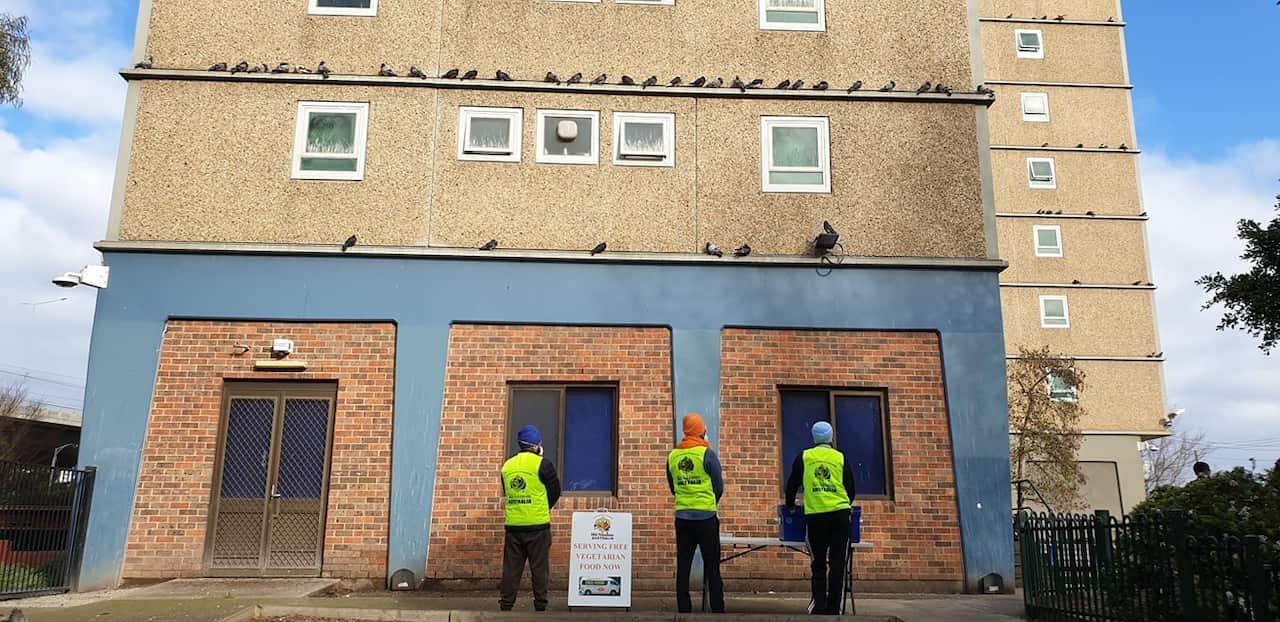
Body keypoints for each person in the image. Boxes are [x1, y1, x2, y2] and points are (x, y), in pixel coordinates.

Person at [785, 421, 856, 616]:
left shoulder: (805, 457)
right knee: (837, 564)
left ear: (814, 437)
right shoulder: (840, 457)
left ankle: (819, 607)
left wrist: (790, 505)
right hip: (840, 516)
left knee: (818, 564)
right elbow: (850, 490)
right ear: (831, 437)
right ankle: (833, 609)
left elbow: (792, 485)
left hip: (816, 517)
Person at [666, 413, 726, 613]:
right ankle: (717, 609)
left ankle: (684, 609)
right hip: (706, 518)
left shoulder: (673, 456)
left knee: (683, 565)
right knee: (712, 566)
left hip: (682, 518)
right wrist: (710, 502)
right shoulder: (707, 454)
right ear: (700, 431)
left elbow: (673, 487)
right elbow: (718, 486)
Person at [499, 424, 561, 612]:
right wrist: (544, 506)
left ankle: (506, 604)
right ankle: (540, 604)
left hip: (514, 526)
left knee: (511, 568)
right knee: (539, 567)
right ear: (536, 445)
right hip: (538, 525)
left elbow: (507, 491)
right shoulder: (543, 464)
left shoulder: (507, 466)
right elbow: (555, 491)